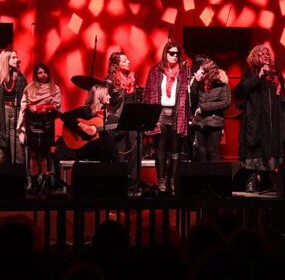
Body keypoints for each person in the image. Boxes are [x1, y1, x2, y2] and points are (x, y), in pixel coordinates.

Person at [235, 45, 285, 192]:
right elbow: (239, 91)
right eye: (262, 54)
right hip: (256, 120)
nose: (266, 56)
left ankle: (267, 180)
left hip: (272, 120)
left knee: (270, 149)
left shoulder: (276, 74)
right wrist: (259, 77)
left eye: (267, 53)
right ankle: (251, 180)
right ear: (255, 57)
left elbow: (283, 94)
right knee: (255, 149)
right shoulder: (251, 72)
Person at [143, 41, 190, 193]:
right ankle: (161, 181)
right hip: (160, 114)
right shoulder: (155, 71)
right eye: (172, 53)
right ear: (165, 54)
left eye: (177, 54)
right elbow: (147, 93)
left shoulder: (183, 72)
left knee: (176, 150)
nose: (175, 56)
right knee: (161, 149)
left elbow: (186, 96)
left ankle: (173, 180)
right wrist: (149, 114)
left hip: (177, 114)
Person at [17, 63, 62, 193]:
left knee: (45, 154)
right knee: (34, 154)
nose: (43, 75)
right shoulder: (29, 88)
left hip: (47, 123)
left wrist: (41, 108)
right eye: (40, 73)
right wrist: (34, 108)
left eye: (45, 72)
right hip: (33, 123)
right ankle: (35, 184)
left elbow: (57, 106)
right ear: (36, 75)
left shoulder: (55, 88)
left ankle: (46, 183)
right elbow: (26, 106)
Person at [105, 51, 140, 193]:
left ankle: (133, 187)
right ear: (117, 64)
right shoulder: (109, 81)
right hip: (118, 120)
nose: (129, 62)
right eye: (124, 60)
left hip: (134, 119)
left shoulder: (133, 78)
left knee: (135, 153)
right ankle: (119, 187)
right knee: (120, 154)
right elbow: (108, 103)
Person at [60, 84, 119, 164]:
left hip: (98, 149)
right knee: (107, 139)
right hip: (83, 147)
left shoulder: (107, 114)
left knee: (106, 145)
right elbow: (64, 116)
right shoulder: (86, 110)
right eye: (107, 94)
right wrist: (82, 126)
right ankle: (118, 167)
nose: (110, 97)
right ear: (99, 95)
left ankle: (110, 169)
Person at [0, 49, 27, 166]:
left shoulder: (20, 77)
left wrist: (23, 118)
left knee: (18, 146)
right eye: (13, 57)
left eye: (16, 57)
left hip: (16, 112)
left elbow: (25, 98)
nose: (17, 60)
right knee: (0, 146)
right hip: (2, 112)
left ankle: (18, 174)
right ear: (6, 59)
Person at [192, 59, 231, 162]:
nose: (200, 74)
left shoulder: (222, 85)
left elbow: (226, 103)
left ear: (208, 73)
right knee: (201, 153)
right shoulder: (200, 85)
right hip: (199, 122)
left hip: (214, 122)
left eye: (202, 71)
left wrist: (204, 108)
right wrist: (195, 82)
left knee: (212, 152)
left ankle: (214, 173)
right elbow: (191, 100)